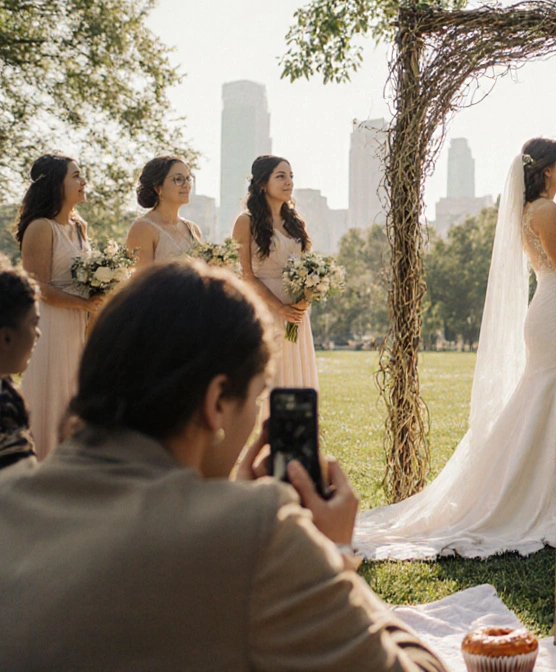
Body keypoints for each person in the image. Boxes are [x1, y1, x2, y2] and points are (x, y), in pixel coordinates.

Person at [0, 260, 445, 671]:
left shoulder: (10, 494)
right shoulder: (255, 528)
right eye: (255, 399)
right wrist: (338, 559)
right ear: (216, 402)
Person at [355, 139, 556, 560]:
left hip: (555, 312)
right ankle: (541, 499)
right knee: (553, 399)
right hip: (555, 311)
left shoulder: (540, 210)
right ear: (546, 170)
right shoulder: (544, 211)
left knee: (553, 401)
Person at [15, 154, 105, 459]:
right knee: (50, 395)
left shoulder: (80, 226)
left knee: (74, 395)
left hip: (79, 325)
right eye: (76, 176)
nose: (83, 182)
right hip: (52, 325)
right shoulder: (41, 227)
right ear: (56, 184)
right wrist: (83, 302)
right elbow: (37, 286)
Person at [232, 155, 318, 390]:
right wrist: (280, 308)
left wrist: (302, 302)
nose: (288, 182)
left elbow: (311, 270)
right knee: (272, 370)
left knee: (293, 368)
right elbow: (246, 276)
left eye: (291, 176)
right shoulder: (246, 222)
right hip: (265, 307)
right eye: (280, 176)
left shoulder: (296, 223)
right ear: (262, 184)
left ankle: (295, 423)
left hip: (296, 312)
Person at [125, 155, 203, 264]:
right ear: (158, 188)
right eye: (178, 179)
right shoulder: (143, 228)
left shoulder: (193, 229)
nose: (187, 185)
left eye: (188, 179)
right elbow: (142, 278)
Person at [0, 266, 40, 472]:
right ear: (6, 337)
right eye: (34, 324)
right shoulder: (4, 407)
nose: (38, 334)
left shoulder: (6, 387)